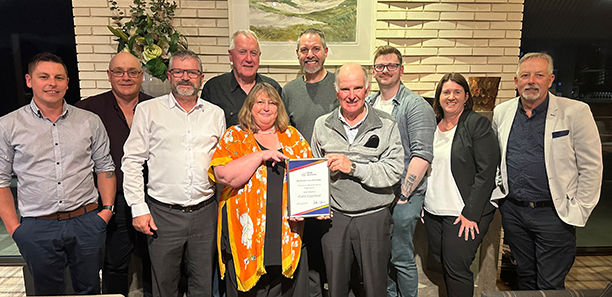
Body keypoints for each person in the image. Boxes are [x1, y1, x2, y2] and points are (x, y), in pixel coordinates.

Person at [0, 52, 116, 295]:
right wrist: (15, 229)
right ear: (29, 80)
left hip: (86, 222)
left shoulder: (89, 121)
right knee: (47, 293)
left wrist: (105, 212)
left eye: (58, 77)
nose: (52, 83)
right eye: (44, 76)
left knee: (90, 289)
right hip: (37, 227)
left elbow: (105, 167)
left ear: (67, 83)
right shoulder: (8, 125)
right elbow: (1, 181)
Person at [492, 52, 602, 290]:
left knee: (550, 283)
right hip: (514, 212)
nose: (531, 81)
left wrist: (580, 208)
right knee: (525, 276)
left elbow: (592, 166)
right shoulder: (502, 112)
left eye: (539, 75)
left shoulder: (575, 112)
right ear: (516, 81)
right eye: (525, 75)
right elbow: (497, 158)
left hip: (553, 214)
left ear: (550, 80)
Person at [122, 50, 226, 296]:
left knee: (203, 285)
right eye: (179, 71)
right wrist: (138, 208)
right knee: (164, 286)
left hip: (205, 212)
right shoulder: (148, 110)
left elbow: (223, 163)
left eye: (191, 72)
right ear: (169, 76)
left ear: (201, 77)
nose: (185, 78)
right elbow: (132, 161)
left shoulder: (215, 113)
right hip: (163, 214)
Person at [311, 63, 404, 297]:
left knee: (375, 288)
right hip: (334, 219)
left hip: (373, 217)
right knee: (335, 287)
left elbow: (393, 170)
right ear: (336, 91)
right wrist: (315, 205)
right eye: (345, 89)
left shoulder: (386, 124)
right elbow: (313, 171)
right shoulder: (322, 125)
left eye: (357, 88)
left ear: (367, 89)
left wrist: (353, 167)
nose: (351, 95)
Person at [209, 82, 311, 297]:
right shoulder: (234, 136)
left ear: (279, 108)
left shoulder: (292, 137)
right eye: (260, 102)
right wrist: (260, 155)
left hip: (284, 229)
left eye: (272, 103)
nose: (266, 107)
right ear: (250, 106)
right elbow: (223, 175)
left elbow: (310, 179)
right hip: (246, 232)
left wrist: (315, 208)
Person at [75, 51, 153, 296]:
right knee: (115, 264)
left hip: (153, 198)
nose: (126, 77)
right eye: (119, 71)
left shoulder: (156, 107)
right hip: (112, 201)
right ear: (109, 75)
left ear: (141, 76)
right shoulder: (88, 110)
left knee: (155, 261)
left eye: (132, 72)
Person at [365, 45, 436, 297]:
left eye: (391, 65)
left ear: (401, 70)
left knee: (401, 256)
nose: (385, 70)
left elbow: (422, 154)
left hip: (404, 195)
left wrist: (404, 193)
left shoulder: (415, 105)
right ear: (373, 72)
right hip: (376, 193)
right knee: (381, 257)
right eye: (380, 66)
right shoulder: (367, 103)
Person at [422, 73, 499, 297]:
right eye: (446, 92)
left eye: (457, 92)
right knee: (442, 262)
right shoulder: (433, 127)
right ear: (439, 97)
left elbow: (487, 172)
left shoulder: (477, 124)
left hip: (463, 213)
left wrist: (471, 214)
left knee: (457, 268)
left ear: (466, 96)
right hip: (434, 211)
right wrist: (421, 201)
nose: (451, 97)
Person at [281, 28, 338, 297]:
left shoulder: (341, 86)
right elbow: (282, 132)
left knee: (335, 251)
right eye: (304, 50)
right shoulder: (289, 90)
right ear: (297, 55)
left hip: (337, 182)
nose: (310, 55)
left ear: (325, 52)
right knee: (309, 250)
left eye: (315, 49)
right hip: (302, 186)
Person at [202, 29, 282, 126]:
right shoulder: (213, 89)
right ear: (231, 56)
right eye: (242, 52)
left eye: (253, 53)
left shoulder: (273, 88)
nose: (249, 59)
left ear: (259, 56)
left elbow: (282, 125)